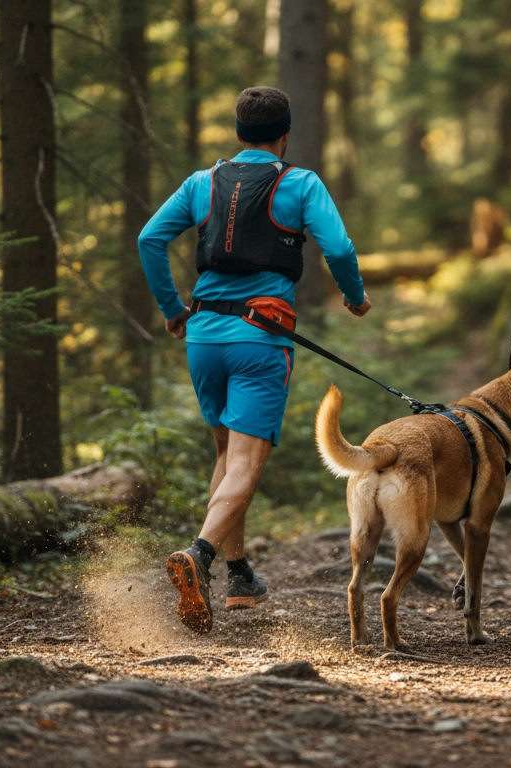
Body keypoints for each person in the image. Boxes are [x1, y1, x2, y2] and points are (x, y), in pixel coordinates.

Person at [137, 86, 371, 634]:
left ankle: (239, 574)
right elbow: (337, 248)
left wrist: (173, 309)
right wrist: (354, 295)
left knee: (225, 452)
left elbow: (150, 238)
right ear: (284, 134)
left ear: (239, 133)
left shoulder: (201, 183)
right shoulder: (300, 183)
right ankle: (199, 555)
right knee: (246, 463)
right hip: (259, 340)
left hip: (204, 337)